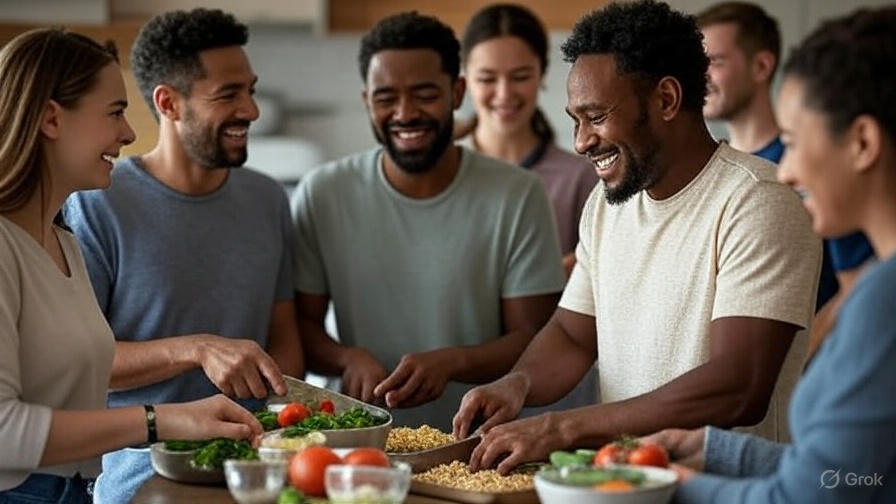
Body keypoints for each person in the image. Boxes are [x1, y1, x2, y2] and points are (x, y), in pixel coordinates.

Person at [453, 0, 821, 474]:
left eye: (596, 116)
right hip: (627, 483)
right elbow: (572, 335)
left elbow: (738, 387)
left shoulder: (757, 200)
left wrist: (562, 428)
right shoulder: (607, 205)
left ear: (666, 99)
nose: (582, 141)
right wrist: (518, 384)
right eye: (576, 120)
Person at [0, 28, 262, 504]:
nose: (129, 133)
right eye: (115, 112)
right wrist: (160, 419)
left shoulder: (61, 242)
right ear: (51, 119)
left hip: (75, 491)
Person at [649, 7, 896, 502]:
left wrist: (663, 488)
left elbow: (809, 497)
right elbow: (856, 472)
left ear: (863, 142)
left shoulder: (882, 299)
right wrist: (720, 453)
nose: (786, 171)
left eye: (794, 143)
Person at [62, 9, 302, 503]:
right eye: (228, 95)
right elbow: (77, 362)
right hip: (142, 476)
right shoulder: (98, 202)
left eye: (250, 91)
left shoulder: (269, 199)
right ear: (168, 103)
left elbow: (284, 339)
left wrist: (282, 428)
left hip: (258, 473)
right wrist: (197, 349)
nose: (251, 110)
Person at [292, 11, 566, 431]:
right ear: (367, 101)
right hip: (358, 437)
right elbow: (299, 326)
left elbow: (534, 338)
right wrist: (347, 358)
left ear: (457, 93)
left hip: (480, 440)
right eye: (386, 98)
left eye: (424, 94)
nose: (405, 113)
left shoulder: (518, 194)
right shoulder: (322, 192)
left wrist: (454, 362)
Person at [697, 0, 875, 326]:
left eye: (715, 62)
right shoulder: (708, 171)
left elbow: (854, 286)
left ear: (761, 66)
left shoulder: (818, 164)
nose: (702, 76)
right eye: (698, 64)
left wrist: (803, 356)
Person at [458, 3, 599, 276]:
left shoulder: (581, 179)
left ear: (541, 73)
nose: (504, 94)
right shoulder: (444, 172)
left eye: (520, 77)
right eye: (487, 79)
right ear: (464, 82)